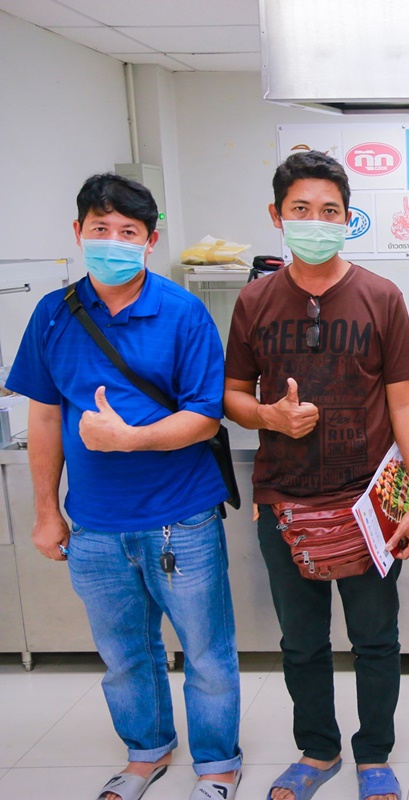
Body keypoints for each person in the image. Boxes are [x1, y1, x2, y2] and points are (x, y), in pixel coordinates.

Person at [7, 173, 242, 800]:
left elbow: (205, 415)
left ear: (150, 239)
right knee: (123, 654)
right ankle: (147, 752)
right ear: (78, 231)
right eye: (101, 228)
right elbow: (44, 417)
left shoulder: (182, 312)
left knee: (207, 652)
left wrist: (130, 439)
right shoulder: (53, 314)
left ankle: (218, 764)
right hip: (93, 525)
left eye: (128, 231)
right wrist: (46, 512)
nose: (113, 240)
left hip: (181, 519)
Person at [224, 151, 409, 800]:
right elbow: (231, 395)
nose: (317, 221)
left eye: (330, 211)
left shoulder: (381, 297)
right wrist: (270, 418)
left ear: (348, 218)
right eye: (302, 209)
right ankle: (318, 750)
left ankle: (375, 755)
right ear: (277, 215)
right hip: (284, 501)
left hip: (369, 503)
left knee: (376, 639)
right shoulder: (254, 300)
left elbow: (404, 402)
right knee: (301, 642)